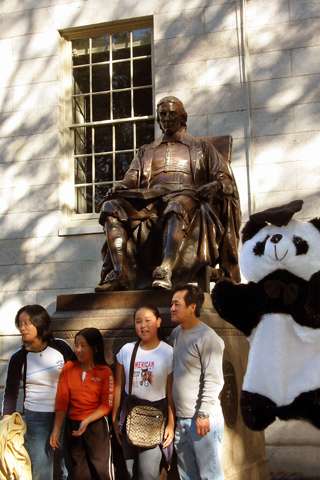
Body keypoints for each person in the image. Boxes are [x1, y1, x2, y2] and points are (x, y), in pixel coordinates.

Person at [96, 95, 240, 292]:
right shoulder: (146, 150)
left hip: (187, 197)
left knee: (177, 205)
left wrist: (215, 186)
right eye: (162, 114)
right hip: (150, 200)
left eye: (172, 114)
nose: (166, 118)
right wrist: (121, 186)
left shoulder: (202, 147)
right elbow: (131, 177)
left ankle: (165, 269)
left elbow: (225, 180)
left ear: (183, 117)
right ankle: (122, 273)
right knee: (110, 207)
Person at [1, 304, 74, 480]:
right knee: (40, 466)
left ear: (40, 324)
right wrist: (6, 419)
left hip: (65, 413)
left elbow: (76, 378)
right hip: (36, 418)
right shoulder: (19, 357)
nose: (22, 328)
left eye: (27, 323)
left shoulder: (61, 348)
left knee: (68, 464)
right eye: (20, 324)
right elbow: (10, 392)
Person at [112, 305, 175, 480]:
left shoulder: (168, 352)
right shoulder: (126, 350)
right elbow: (118, 386)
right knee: (127, 471)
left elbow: (171, 391)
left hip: (155, 420)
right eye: (138, 321)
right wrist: (114, 418)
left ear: (159, 322)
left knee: (148, 473)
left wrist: (171, 423)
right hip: (129, 418)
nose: (143, 326)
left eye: (148, 321)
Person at [170, 284, 225, 480]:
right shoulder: (176, 334)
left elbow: (214, 379)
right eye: (171, 304)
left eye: (177, 304)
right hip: (182, 420)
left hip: (202, 420)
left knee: (210, 476)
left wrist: (203, 414)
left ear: (192, 307)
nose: (172, 308)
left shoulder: (208, 338)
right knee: (187, 476)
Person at [50, 328, 114, 480]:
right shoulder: (68, 368)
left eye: (83, 345)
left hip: (96, 425)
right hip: (73, 426)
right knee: (79, 471)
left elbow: (106, 405)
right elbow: (62, 400)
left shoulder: (105, 372)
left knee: (101, 470)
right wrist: (56, 429)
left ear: (95, 348)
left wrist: (87, 420)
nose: (78, 350)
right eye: (76, 345)